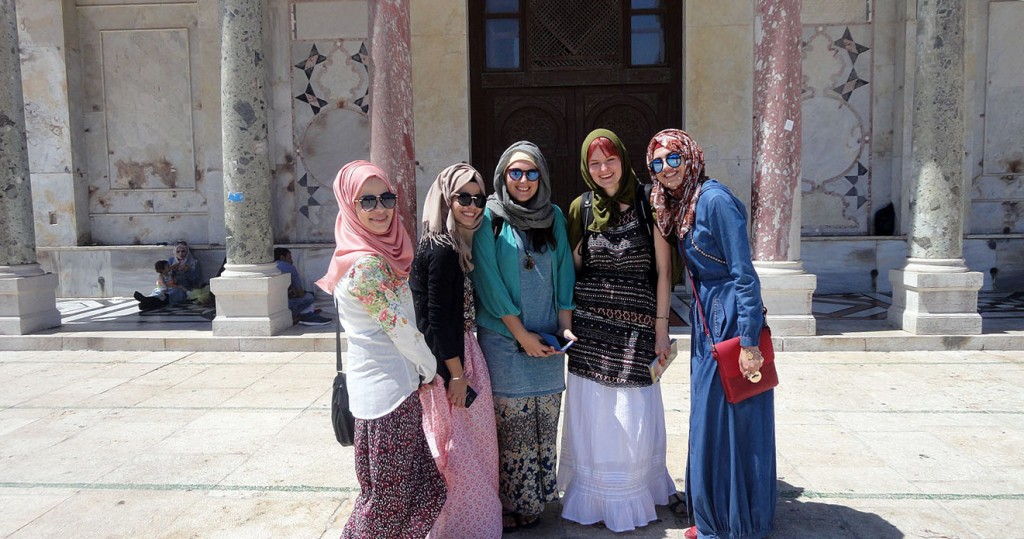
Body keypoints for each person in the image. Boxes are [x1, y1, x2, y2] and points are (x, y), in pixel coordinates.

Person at [646, 129, 775, 539]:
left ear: (691, 157)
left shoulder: (714, 200)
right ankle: (711, 517)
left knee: (736, 418)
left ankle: (738, 523)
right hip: (706, 321)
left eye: (672, 159)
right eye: (656, 163)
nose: (665, 169)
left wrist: (750, 340)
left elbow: (744, 273)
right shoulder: (680, 204)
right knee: (710, 418)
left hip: (732, 321)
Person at [315, 160, 446, 539]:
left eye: (386, 198)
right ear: (348, 206)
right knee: (389, 503)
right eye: (366, 201)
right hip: (387, 396)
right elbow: (401, 331)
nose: (380, 209)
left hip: (381, 392)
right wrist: (429, 367)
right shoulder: (367, 265)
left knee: (405, 493)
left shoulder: (355, 253)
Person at [559, 128, 680, 532]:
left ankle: (630, 494)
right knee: (594, 412)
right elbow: (572, 269)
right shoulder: (582, 208)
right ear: (586, 168)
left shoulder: (650, 201)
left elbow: (664, 272)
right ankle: (593, 496)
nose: (603, 169)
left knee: (632, 411)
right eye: (595, 163)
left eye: (610, 159)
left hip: (638, 329)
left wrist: (662, 330)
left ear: (623, 160)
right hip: (591, 333)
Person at [470, 141, 575, 533]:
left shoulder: (555, 217)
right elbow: (489, 283)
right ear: (503, 176)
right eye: (516, 172)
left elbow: (565, 270)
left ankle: (536, 501)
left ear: (542, 176)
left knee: (543, 422)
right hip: (505, 340)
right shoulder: (489, 219)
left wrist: (563, 327)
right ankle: (513, 503)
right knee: (512, 424)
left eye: (532, 173)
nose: (524, 180)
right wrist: (521, 336)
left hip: (547, 340)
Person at [410, 163, 502, 538]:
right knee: (462, 454)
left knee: (465, 451)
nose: (472, 206)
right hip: (452, 362)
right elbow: (437, 317)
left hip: (452, 357)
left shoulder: (442, 242)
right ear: (446, 198)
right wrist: (457, 375)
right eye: (463, 197)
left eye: (478, 199)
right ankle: (464, 529)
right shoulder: (444, 249)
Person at [274, 247, 331, 326]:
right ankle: (306, 315)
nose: (291, 261)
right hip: (286, 306)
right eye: (289, 258)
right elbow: (300, 293)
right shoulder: (288, 267)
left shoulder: (271, 266)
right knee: (309, 296)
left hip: (273, 307)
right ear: (282, 257)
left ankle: (306, 314)